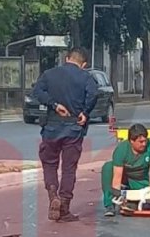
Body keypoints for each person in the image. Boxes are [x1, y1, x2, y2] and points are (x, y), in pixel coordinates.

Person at [31, 47, 99, 223]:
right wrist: (85, 112)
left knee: (50, 163)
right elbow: (93, 94)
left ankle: (53, 194)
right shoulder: (86, 77)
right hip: (74, 128)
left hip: (51, 127)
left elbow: (37, 91)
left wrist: (53, 104)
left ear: (66, 58)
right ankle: (64, 206)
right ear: (83, 64)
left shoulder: (49, 74)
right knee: (69, 168)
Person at [101, 123, 150, 217]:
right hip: (125, 175)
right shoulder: (121, 150)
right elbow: (117, 176)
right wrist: (117, 194)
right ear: (131, 141)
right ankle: (110, 205)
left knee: (142, 201)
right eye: (140, 142)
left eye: (145, 141)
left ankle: (132, 201)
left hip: (139, 178)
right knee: (108, 167)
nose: (144, 144)